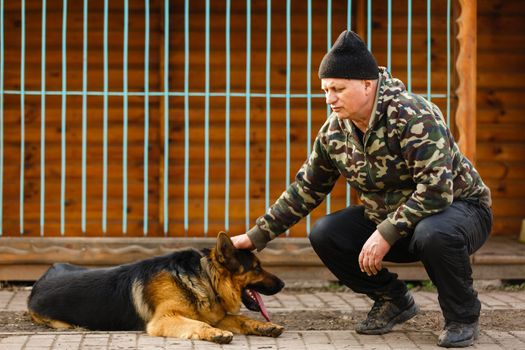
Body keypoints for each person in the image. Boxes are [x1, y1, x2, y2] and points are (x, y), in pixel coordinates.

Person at [231, 30, 492, 348]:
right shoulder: (334, 131)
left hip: (460, 211)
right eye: (326, 90)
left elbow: (437, 190)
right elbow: (307, 188)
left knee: (433, 233)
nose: (329, 99)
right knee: (326, 232)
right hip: (394, 219)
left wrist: (385, 233)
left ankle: (462, 316)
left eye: (338, 89)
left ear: (368, 85)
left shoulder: (413, 117)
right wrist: (256, 236)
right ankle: (393, 300)